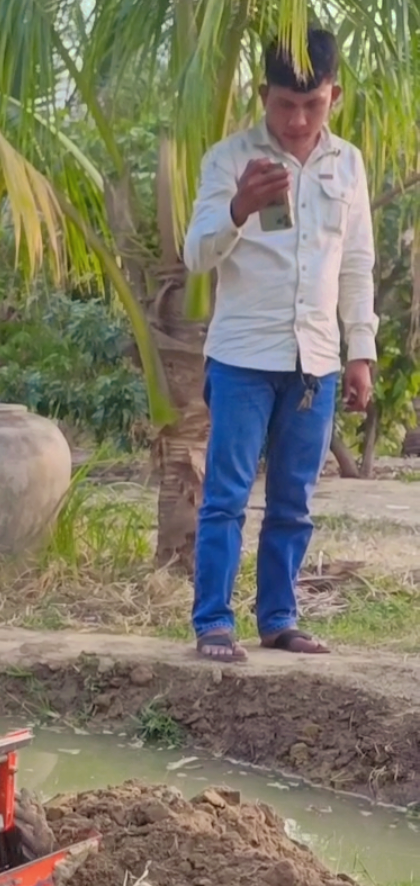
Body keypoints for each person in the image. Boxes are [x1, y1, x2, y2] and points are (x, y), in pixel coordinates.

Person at [183, 28, 377, 662]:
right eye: (284, 105)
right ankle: (213, 622)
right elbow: (195, 257)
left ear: (334, 95)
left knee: (294, 502)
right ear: (262, 95)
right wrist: (238, 208)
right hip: (242, 357)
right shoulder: (228, 160)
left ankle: (278, 620)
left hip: (315, 362)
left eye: (312, 104)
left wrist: (360, 352)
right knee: (227, 497)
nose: (297, 120)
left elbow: (356, 265)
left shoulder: (347, 164)